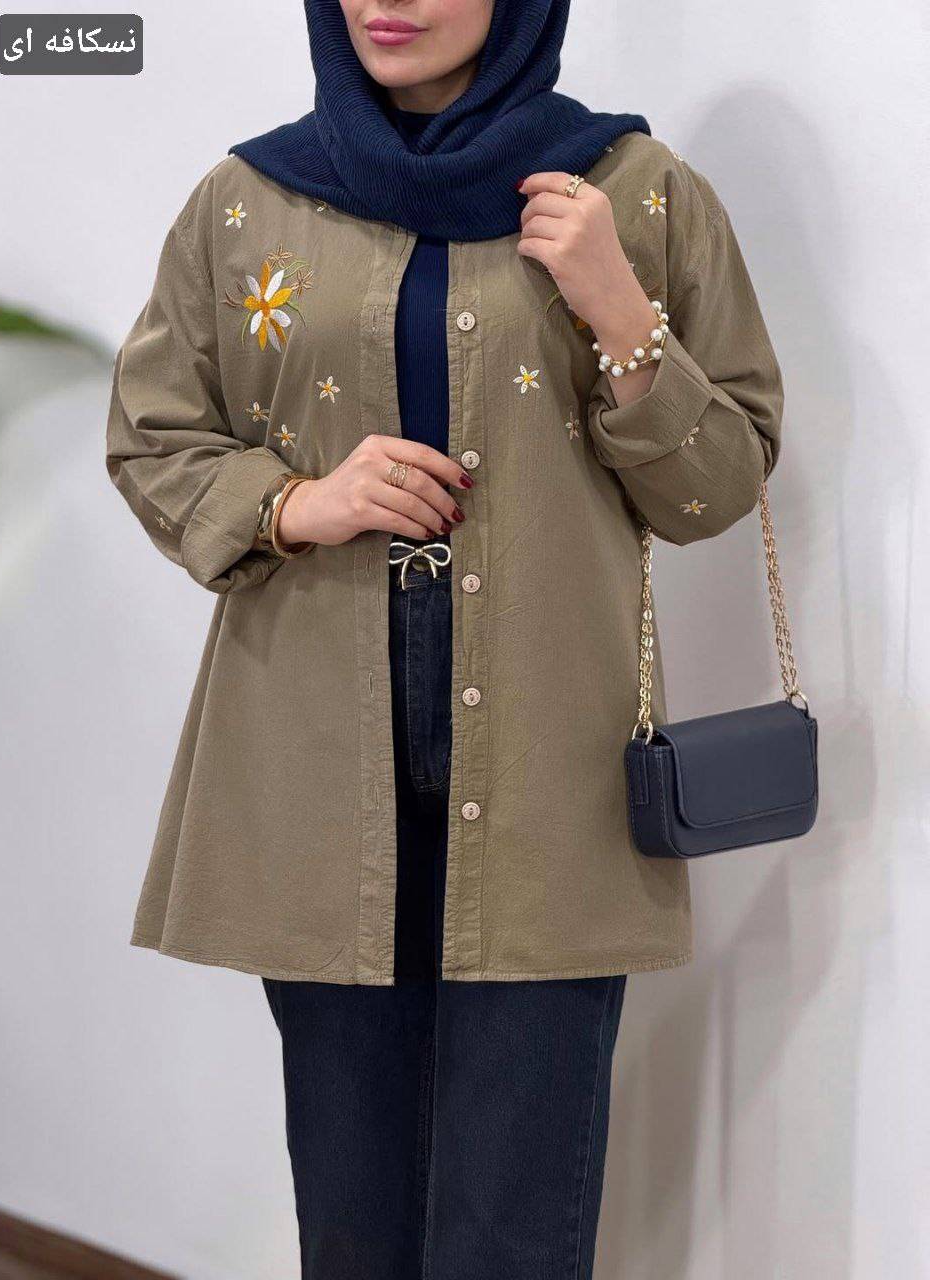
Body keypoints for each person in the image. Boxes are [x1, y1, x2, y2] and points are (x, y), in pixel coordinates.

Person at [105, 1, 784, 1275]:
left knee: (510, 1234)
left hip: (548, 779)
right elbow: (153, 434)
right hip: (320, 771)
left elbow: (718, 485)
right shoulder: (247, 201)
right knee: (352, 1221)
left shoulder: (633, 193)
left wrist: (620, 312)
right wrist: (298, 503)